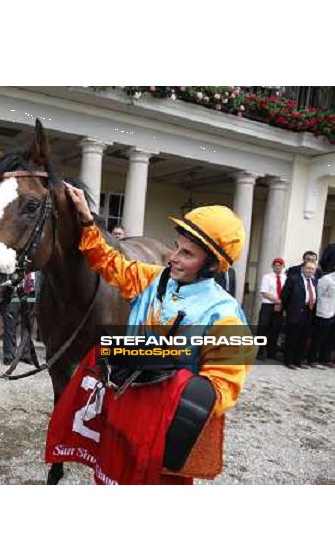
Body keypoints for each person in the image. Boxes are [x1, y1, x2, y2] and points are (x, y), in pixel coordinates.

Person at [61, 184, 252, 484]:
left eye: (187, 253)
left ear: (213, 265)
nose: (174, 257)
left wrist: (153, 362)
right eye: (176, 247)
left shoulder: (226, 315)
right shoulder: (153, 278)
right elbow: (109, 263)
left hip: (165, 431)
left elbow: (221, 392)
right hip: (125, 411)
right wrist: (86, 219)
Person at [280, 259, 317, 369]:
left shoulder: (314, 281)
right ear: (303, 269)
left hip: (308, 311)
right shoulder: (293, 279)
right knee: (292, 337)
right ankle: (289, 361)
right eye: (308, 268)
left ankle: (298, 360)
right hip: (295, 312)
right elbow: (284, 295)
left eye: (312, 269)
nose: (310, 271)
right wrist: (290, 309)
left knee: (303, 337)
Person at [307, 254, 335, 369]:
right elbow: (319, 296)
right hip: (325, 312)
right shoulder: (326, 279)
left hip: (334, 312)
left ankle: (325, 358)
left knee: (331, 338)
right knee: (319, 337)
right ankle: (312, 359)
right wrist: (322, 311)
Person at [256, 258, 287, 361]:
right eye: (276, 265)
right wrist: (277, 301)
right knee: (263, 329)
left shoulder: (285, 278)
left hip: (280, 306)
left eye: (280, 265)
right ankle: (260, 352)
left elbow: (287, 292)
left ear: (283, 266)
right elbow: (264, 292)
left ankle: (271, 352)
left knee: (275, 329)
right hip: (268, 305)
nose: (278, 267)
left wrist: (281, 303)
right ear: (273, 266)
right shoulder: (267, 277)